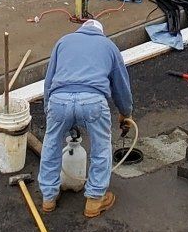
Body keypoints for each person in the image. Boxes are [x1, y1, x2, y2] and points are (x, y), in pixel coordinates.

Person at [36, 17, 135, 218]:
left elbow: (49, 80)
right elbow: (121, 86)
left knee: (51, 144)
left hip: (59, 99)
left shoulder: (63, 41)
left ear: (81, 29)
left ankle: (48, 197)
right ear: (101, 32)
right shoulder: (109, 46)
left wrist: (49, 109)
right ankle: (94, 200)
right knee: (101, 147)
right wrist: (126, 112)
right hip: (92, 101)